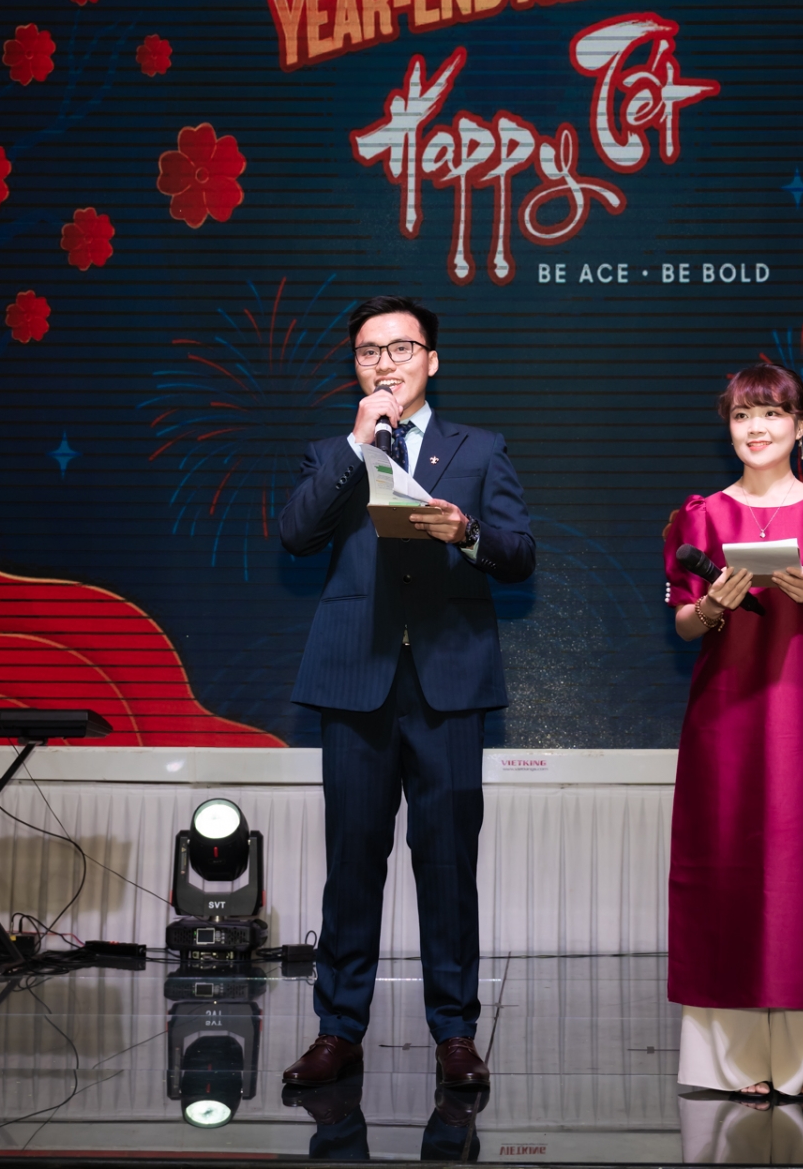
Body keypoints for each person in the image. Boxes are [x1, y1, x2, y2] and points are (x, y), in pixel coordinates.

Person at [277, 295, 535, 1090]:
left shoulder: (481, 449)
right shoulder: (331, 451)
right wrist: (358, 446)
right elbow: (296, 534)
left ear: (432, 359)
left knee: (448, 863)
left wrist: (467, 533)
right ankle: (337, 1030)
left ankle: (455, 1034)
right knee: (353, 861)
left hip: (448, 682)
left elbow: (520, 553)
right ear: (355, 367)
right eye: (368, 352)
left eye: (400, 348)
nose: (384, 363)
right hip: (355, 680)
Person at [660, 362, 803, 1101]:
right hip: (723, 715)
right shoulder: (701, 516)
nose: (757, 428)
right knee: (723, 870)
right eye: (742, 416)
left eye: (773, 414)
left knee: (801, 874)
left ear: (802, 426)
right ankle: (730, 1064)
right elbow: (685, 624)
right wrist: (714, 606)